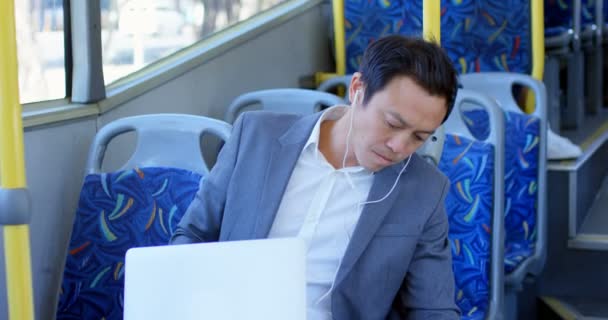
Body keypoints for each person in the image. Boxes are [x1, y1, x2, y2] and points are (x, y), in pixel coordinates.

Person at [171, 35, 460, 319]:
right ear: (357, 89)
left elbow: (433, 309)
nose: (399, 147)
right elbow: (194, 234)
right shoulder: (255, 137)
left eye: (419, 137)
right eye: (392, 123)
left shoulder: (423, 191)